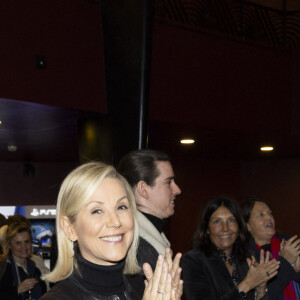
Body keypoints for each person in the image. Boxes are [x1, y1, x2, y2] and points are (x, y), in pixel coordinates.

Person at [41, 161, 183, 300]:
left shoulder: (146, 287)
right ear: (69, 228)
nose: (115, 222)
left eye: (121, 207)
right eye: (97, 211)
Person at [181, 196, 280, 300]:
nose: (225, 228)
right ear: (207, 229)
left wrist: (260, 290)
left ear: (239, 226)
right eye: (217, 221)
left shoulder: (246, 258)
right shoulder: (194, 260)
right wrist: (247, 284)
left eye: (231, 220)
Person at [117, 149, 182, 270]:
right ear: (143, 189)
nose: (177, 189)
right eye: (168, 182)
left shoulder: (141, 239)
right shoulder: (137, 248)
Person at [241, 197, 300, 299]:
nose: (269, 217)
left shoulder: (288, 242)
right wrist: (286, 261)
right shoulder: (244, 256)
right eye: (261, 214)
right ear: (247, 226)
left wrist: (298, 271)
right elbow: (266, 294)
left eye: (270, 213)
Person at [0, 216, 47, 299]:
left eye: (27, 242)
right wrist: (17, 290)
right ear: (9, 245)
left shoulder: (34, 268)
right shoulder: (3, 268)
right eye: (18, 243)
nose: (24, 247)